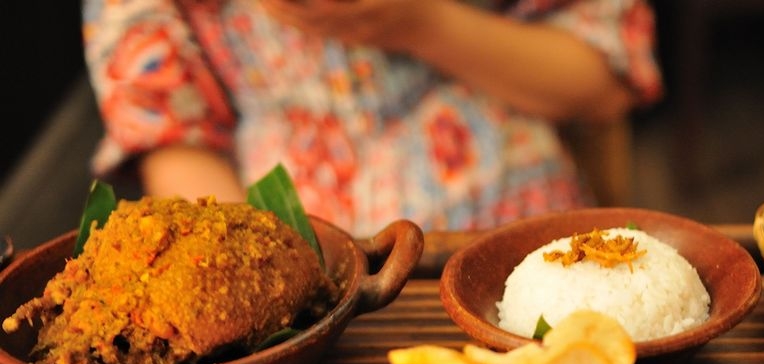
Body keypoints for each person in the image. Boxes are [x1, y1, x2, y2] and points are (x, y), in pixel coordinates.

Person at [82, 0, 662, 237]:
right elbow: (170, 136)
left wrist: (419, 24)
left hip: (515, 219)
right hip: (301, 246)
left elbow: (606, 79)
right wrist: (273, 295)